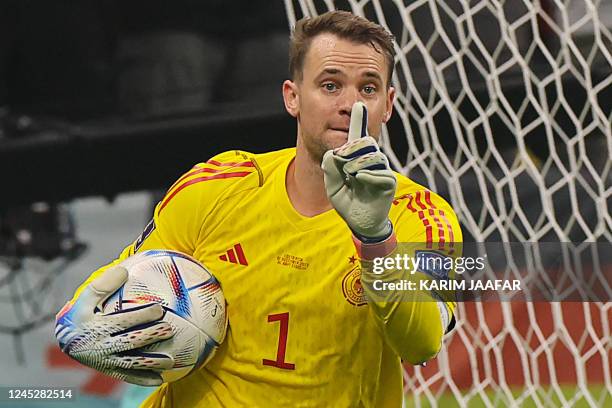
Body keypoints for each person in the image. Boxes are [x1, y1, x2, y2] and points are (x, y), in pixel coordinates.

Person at [54, 10, 461, 407]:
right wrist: (85, 331)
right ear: (292, 97)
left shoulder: (423, 215)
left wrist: (376, 236)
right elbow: (112, 295)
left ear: (388, 105)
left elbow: (422, 344)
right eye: (331, 85)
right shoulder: (218, 187)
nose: (351, 105)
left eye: (368, 89)